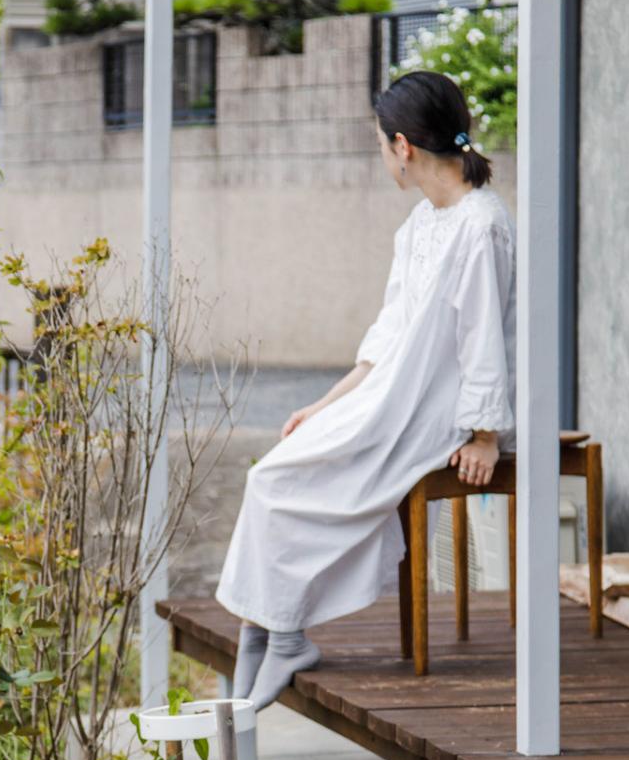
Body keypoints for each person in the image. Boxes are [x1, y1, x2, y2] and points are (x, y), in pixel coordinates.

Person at [217, 71, 515, 709]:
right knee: (272, 470)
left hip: (430, 411)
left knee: (278, 482)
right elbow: (386, 339)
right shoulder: (421, 226)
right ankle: (266, 630)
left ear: (403, 146)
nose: (383, 155)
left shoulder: (480, 225)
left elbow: (485, 337)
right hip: (387, 397)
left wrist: (485, 434)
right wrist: (325, 405)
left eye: (383, 144)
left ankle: (280, 632)